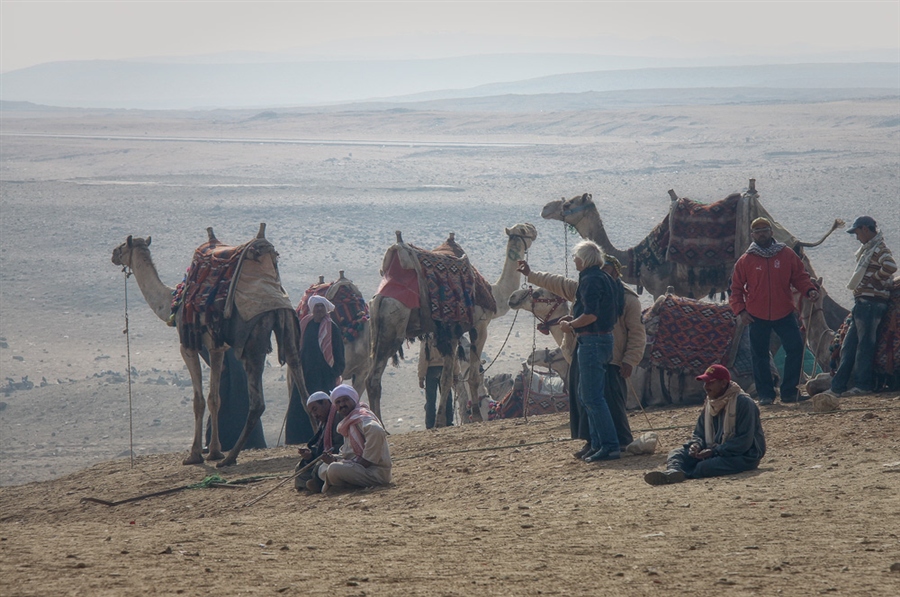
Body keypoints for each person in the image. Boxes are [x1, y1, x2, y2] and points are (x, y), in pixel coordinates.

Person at [516, 254, 644, 455]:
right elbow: (557, 282)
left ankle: (618, 442)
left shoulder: (628, 299)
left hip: (612, 358)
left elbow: (637, 332)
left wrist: (630, 360)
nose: (603, 274)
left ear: (615, 273)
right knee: (583, 398)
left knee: (608, 400)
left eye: (607, 270)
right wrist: (530, 274)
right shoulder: (584, 288)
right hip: (582, 350)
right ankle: (592, 441)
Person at [730, 217, 819, 405]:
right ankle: (766, 395)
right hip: (756, 315)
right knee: (760, 355)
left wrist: (810, 290)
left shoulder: (786, 254)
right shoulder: (745, 260)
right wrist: (741, 311)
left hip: (784, 312)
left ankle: (789, 392)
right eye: (758, 231)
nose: (762, 234)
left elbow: (800, 277)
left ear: (771, 232)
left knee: (795, 348)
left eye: (765, 230)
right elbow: (736, 289)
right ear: (753, 235)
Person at [644, 364, 766, 485]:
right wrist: (696, 445)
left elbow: (744, 441)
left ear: (723, 383)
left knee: (705, 467)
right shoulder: (710, 402)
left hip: (743, 455)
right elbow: (699, 433)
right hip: (714, 450)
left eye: (710, 383)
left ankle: (682, 474)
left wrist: (715, 451)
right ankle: (673, 471)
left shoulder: (744, 403)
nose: (706, 387)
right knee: (676, 454)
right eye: (705, 383)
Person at [558, 240, 622, 462]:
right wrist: (575, 319)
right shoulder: (605, 277)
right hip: (602, 340)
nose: (574, 260)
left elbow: (592, 315)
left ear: (584, 259)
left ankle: (609, 445)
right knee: (588, 396)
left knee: (592, 397)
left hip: (592, 342)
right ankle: (597, 444)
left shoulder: (590, 280)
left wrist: (571, 325)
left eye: (576, 257)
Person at [831, 216, 897, 396]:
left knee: (865, 344)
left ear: (865, 229)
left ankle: (863, 384)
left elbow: (891, 266)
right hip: (862, 303)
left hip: (871, 303)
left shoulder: (879, 249)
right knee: (849, 345)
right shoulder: (869, 250)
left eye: (857, 232)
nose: (857, 237)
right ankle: (838, 386)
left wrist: (875, 279)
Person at [285, 295, 345, 444]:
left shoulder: (332, 328)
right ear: (312, 308)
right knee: (300, 408)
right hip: (304, 375)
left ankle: (326, 438)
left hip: (324, 378)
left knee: (325, 409)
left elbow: (339, 353)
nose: (319, 309)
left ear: (326, 309)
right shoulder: (304, 325)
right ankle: (297, 440)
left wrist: (333, 373)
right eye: (316, 306)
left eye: (321, 306)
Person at [312, 384, 392, 493]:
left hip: (375, 472)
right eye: (338, 402)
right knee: (323, 467)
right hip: (358, 467)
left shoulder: (363, 420)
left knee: (333, 469)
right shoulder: (349, 422)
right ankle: (344, 484)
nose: (342, 405)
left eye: (345, 400)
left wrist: (338, 463)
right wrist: (333, 459)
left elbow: (367, 460)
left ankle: (341, 485)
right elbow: (349, 454)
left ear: (354, 399)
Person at [294, 391, 344, 491]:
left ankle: (320, 484)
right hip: (328, 456)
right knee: (300, 469)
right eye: (311, 412)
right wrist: (310, 455)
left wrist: (329, 455)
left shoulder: (338, 416)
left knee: (320, 467)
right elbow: (321, 446)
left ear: (325, 403)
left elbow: (342, 444)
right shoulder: (324, 422)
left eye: (315, 409)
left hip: (341, 456)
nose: (314, 415)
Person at [418, 336, 453, 429]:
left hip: (431, 370)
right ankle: (449, 422)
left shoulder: (427, 339)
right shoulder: (447, 336)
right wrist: (456, 373)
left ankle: (430, 425)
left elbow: (423, 358)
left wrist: (421, 377)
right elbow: (453, 355)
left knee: (430, 399)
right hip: (445, 368)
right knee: (447, 397)